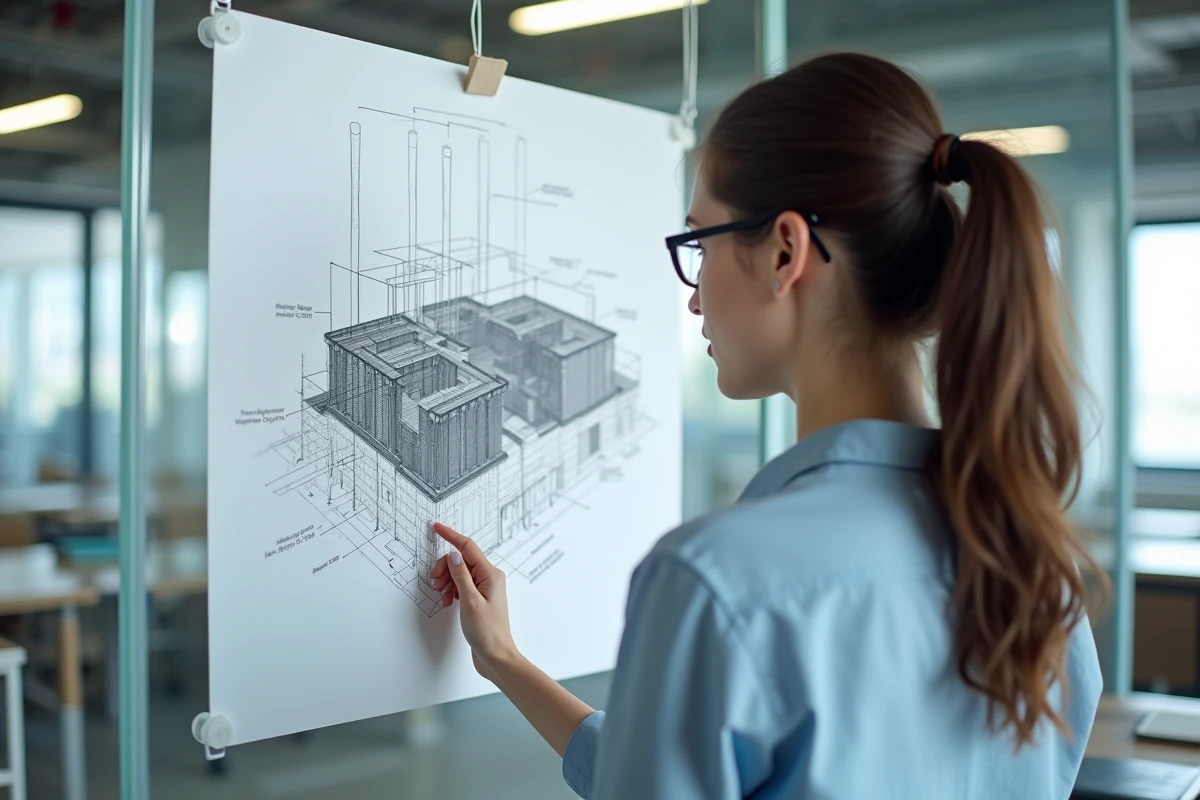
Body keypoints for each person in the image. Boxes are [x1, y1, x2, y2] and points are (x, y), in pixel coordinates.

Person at [429, 51, 1106, 799]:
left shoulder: (716, 580)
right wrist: (507, 664)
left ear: (785, 250)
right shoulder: (1035, 564)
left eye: (701, 243)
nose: (693, 300)